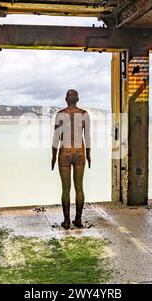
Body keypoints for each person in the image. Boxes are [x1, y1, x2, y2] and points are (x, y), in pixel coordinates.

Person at [51, 89, 91, 229]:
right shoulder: (84, 114)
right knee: (79, 187)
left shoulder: (61, 114)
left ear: (66, 99)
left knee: (66, 189)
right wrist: (89, 155)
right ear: (78, 99)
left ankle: (67, 221)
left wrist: (53, 156)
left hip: (65, 153)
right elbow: (87, 137)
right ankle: (78, 220)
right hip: (80, 152)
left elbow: (56, 137)